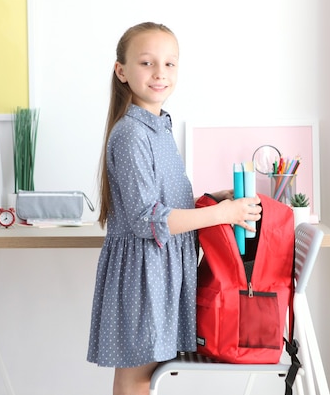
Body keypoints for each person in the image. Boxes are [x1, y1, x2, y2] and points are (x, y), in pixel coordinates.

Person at [87, 22, 261, 395]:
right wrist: (222, 215)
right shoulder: (132, 133)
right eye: (147, 63)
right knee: (136, 378)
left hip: (161, 270)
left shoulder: (158, 127)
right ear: (122, 71)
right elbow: (147, 219)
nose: (160, 73)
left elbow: (167, 202)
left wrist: (216, 198)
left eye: (169, 64)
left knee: (145, 377)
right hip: (145, 274)